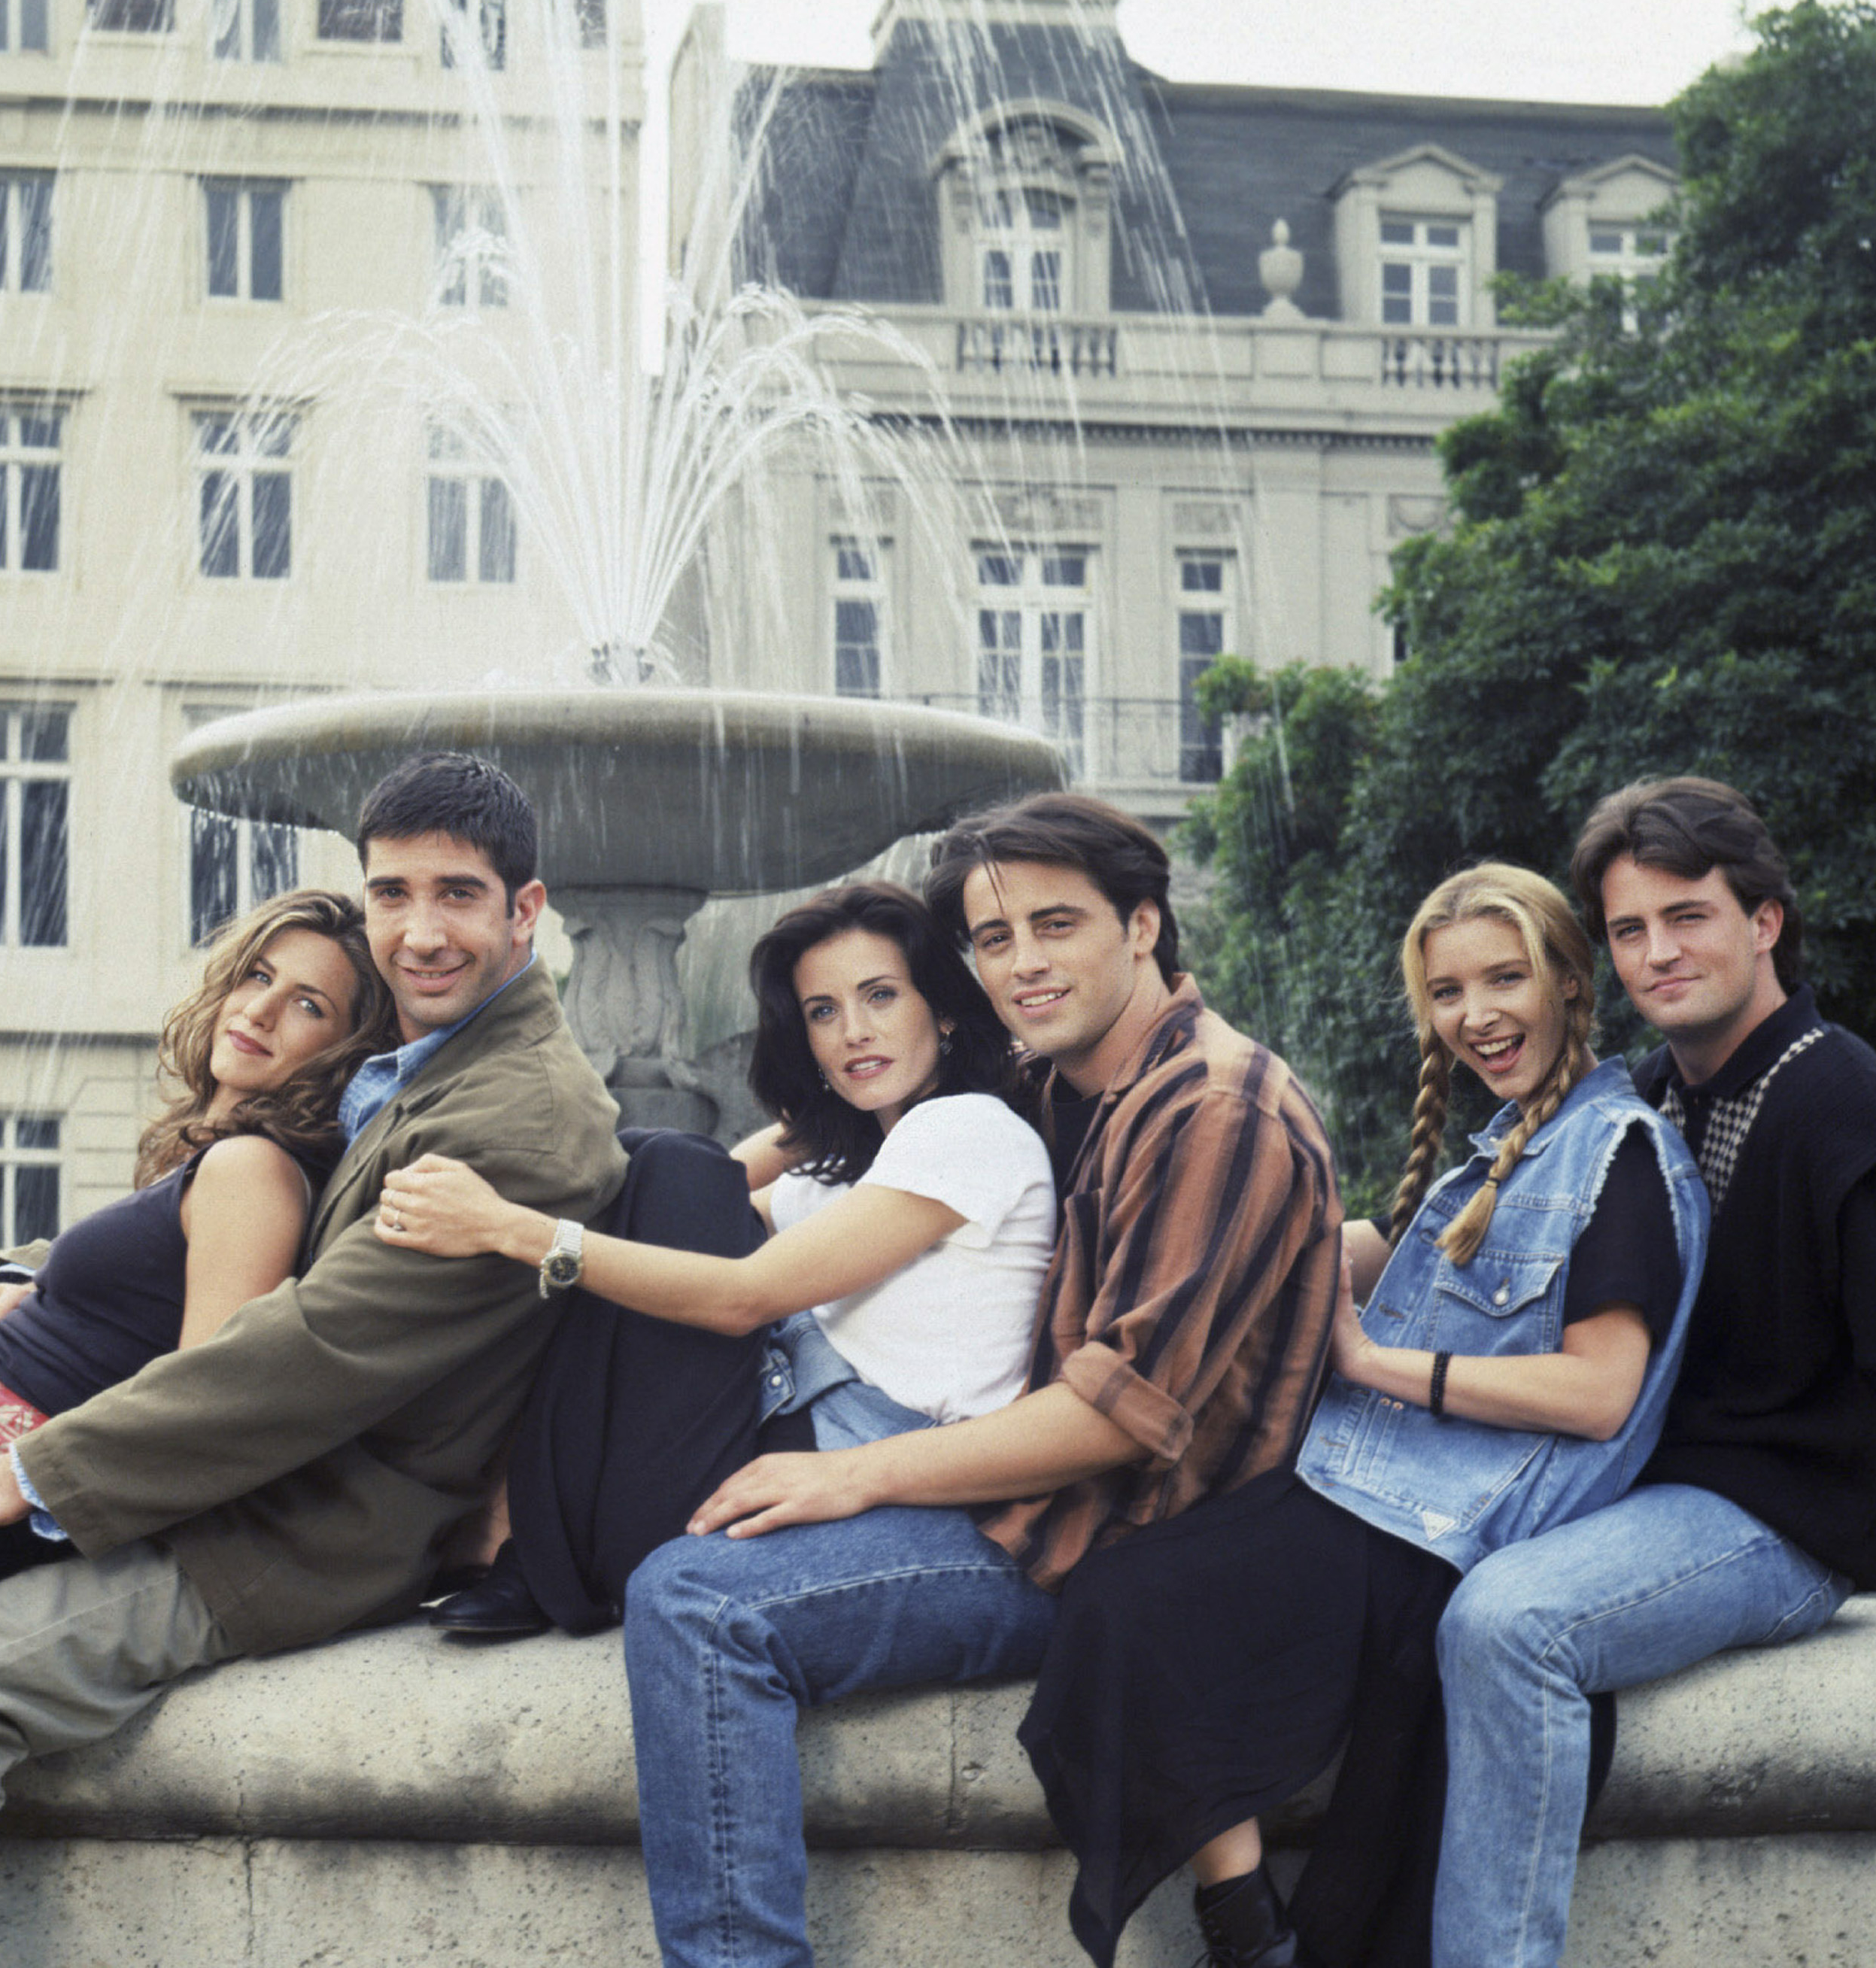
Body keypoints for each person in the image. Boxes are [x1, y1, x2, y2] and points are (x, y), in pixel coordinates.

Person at [0, 750, 627, 1968]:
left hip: (292, 1534)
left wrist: (23, 1476)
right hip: (261, 1491)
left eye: (457, 894)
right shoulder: (435, 1067)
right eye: (392, 892)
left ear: (527, 910)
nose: (418, 929)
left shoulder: (515, 1112)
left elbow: (307, 1351)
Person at [606, 791, 1344, 1968]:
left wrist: (853, 1479)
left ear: (1143, 924)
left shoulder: (1213, 1107)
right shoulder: (1069, 1084)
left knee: (701, 1606)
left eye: (1056, 925)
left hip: (1099, 1544)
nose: (1024, 964)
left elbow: (1114, 1422)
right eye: (995, 941)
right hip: (1028, 1500)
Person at [1021, 863, 1708, 1968]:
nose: (1476, 1016)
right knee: (1122, 1559)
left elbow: (1599, 1392)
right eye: (1447, 993)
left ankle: (1245, 1935)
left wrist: (1378, 1364)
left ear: (1572, 985)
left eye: (1505, 979)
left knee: (1123, 1601)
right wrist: (1256, 1240)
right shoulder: (1496, 1152)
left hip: (1431, 1535)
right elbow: (1382, 1255)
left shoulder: (1617, 1154)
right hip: (1371, 1492)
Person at [1431, 777, 1876, 1968]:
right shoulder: (1658, 1093)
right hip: (1658, 1488)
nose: (1658, 954)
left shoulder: (1852, 1112)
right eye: (1628, 931)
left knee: (1509, 1625)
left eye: (1689, 917)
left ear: (1763, 921)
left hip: (1783, 1519)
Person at [372, 880, 1056, 1634]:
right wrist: (820, 1119)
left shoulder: (968, 1130)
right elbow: (691, 1213)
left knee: (667, 1162)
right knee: (652, 1169)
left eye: (882, 996)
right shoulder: (860, 1169)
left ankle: (521, 1545)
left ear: (945, 1007)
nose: (853, 1030)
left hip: (851, 1476)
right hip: (747, 1473)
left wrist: (512, 1229)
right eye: (821, 1012)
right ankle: (527, 1544)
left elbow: (741, 1293)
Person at [0, 888, 396, 1637]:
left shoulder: (253, 1172)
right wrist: (20, 1290)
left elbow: (205, 1407)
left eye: (310, 1005)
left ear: (346, 1054)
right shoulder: (214, 1159)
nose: (261, 1010)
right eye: (258, 975)